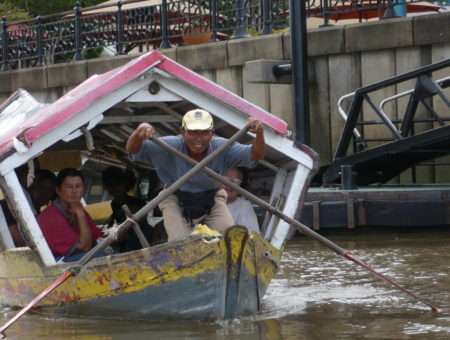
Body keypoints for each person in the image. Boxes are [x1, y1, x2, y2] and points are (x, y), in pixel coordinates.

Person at [126, 108, 265, 241]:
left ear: (212, 133)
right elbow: (133, 151)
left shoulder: (223, 147)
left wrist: (259, 133)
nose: (198, 139)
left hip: (212, 197)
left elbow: (255, 155)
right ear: (182, 132)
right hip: (175, 196)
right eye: (193, 132)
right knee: (179, 242)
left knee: (228, 238)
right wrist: (139, 132)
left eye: (204, 133)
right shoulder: (169, 145)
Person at [37, 168, 102, 262]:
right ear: (58, 190)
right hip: (60, 266)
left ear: (84, 190)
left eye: (78, 186)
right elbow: (84, 247)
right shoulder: (51, 216)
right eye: (69, 186)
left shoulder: (75, 207)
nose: (74, 191)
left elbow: (97, 235)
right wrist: (80, 214)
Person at [102, 166, 167, 252]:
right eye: (110, 186)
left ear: (125, 184)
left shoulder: (135, 203)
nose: (114, 189)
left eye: (117, 184)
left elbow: (135, 223)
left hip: (142, 244)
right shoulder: (115, 204)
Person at [0, 168, 57, 247]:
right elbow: (17, 237)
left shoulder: (38, 212)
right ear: (33, 184)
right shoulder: (14, 201)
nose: (45, 192)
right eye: (42, 187)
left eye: (50, 190)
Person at [224, 168, 260, 233]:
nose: (228, 185)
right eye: (226, 179)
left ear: (240, 187)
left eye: (235, 182)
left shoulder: (244, 206)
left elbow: (250, 235)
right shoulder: (211, 199)